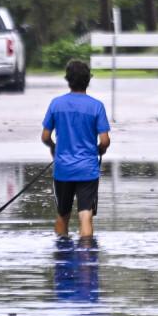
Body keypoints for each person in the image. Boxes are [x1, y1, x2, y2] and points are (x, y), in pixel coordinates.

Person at [41, 59, 110, 237]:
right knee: (85, 215)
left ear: (68, 79)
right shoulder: (96, 106)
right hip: (88, 169)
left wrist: (53, 147)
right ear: (88, 79)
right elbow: (105, 140)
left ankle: (62, 256)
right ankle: (86, 258)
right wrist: (100, 149)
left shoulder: (56, 104)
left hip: (63, 169)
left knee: (62, 215)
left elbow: (45, 137)